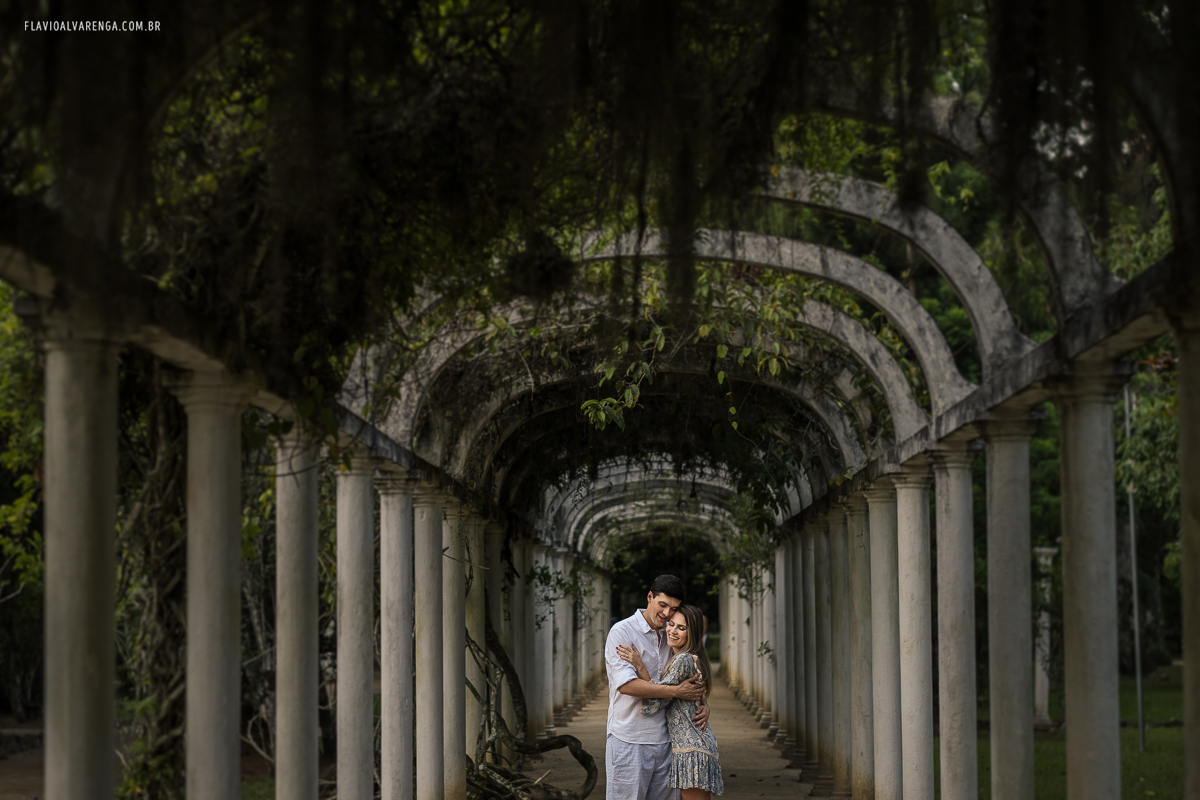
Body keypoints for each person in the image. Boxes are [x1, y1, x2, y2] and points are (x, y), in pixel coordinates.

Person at [605, 575, 710, 800]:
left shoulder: (672, 633)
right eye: (662, 605)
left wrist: (703, 703)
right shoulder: (622, 631)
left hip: (668, 740)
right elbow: (627, 686)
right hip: (629, 738)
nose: (666, 614)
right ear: (650, 597)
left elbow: (689, 675)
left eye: (673, 609)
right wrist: (676, 691)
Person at [617, 604, 724, 800]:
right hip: (695, 745)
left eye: (681, 628)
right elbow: (669, 694)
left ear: (693, 633)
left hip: (691, 749)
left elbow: (653, 704)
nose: (672, 631)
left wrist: (639, 665)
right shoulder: (692, 657)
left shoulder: (681, 660)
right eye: (671, 624)